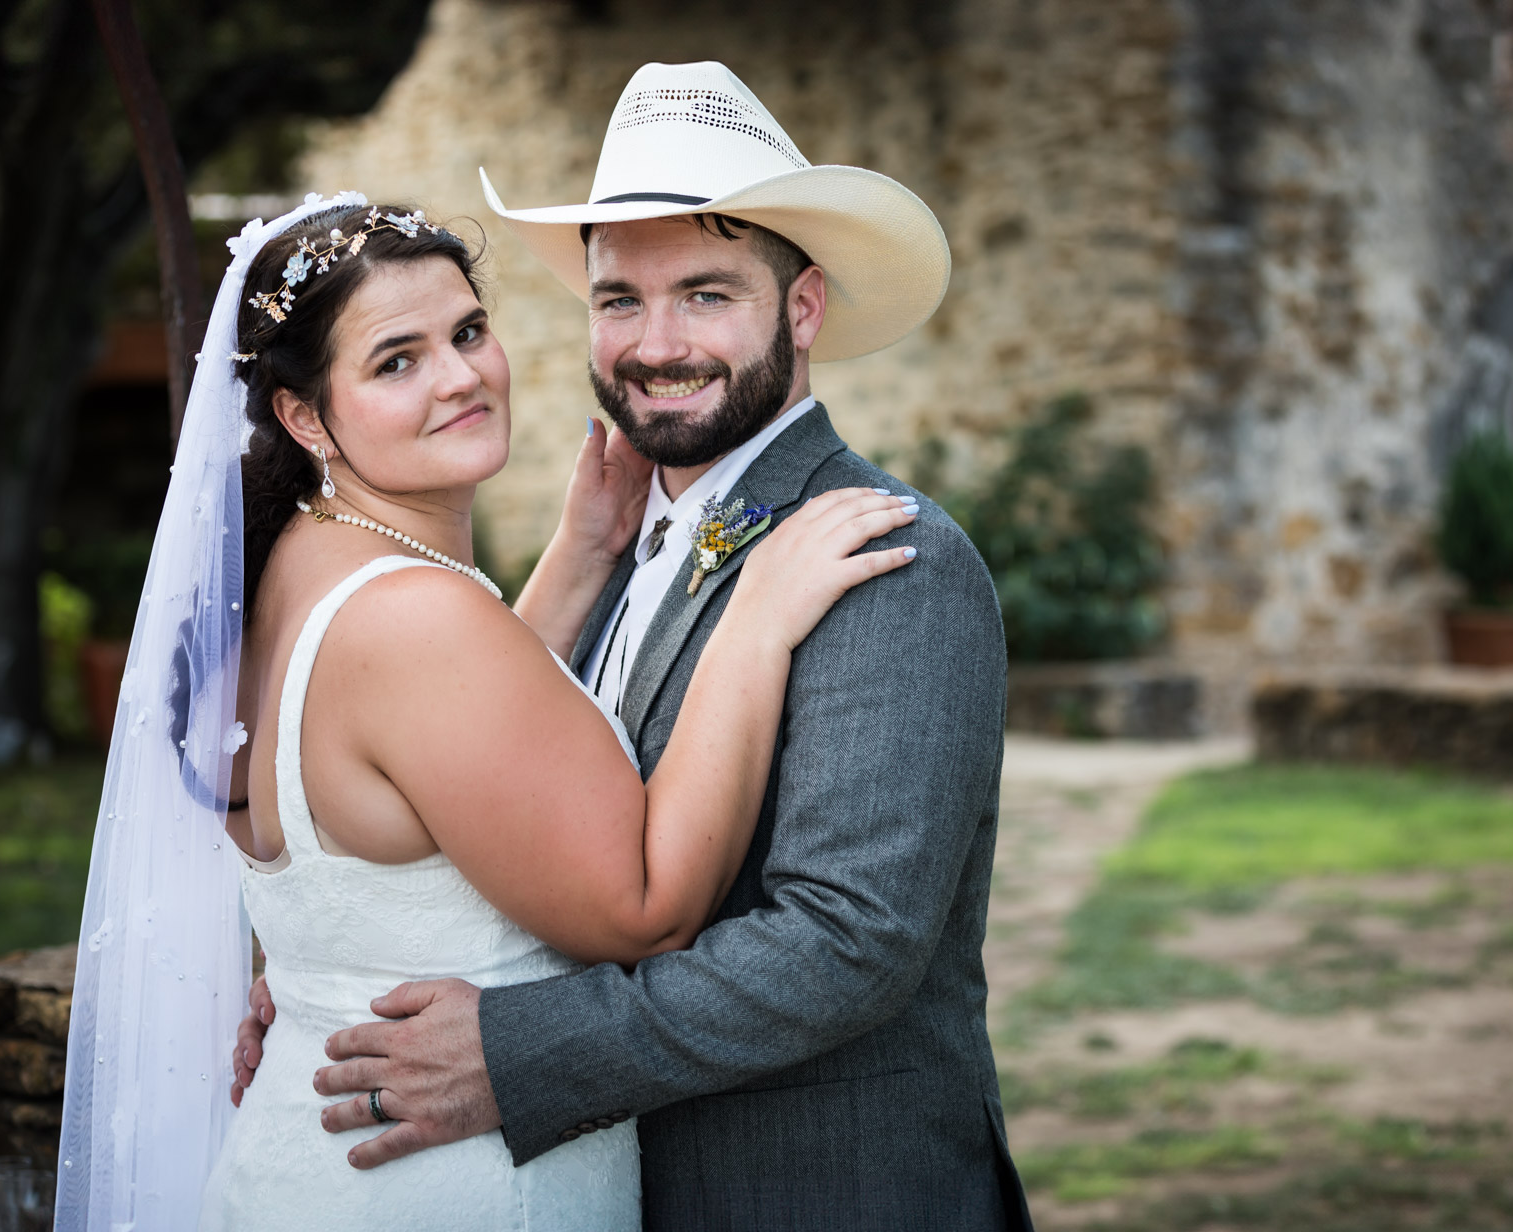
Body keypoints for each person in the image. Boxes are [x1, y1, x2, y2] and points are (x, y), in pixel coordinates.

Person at [236, 62, 1034, 1228]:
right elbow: (492, 802)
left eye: (707, 293)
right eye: (620, 300)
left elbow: (845, 941)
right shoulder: (606, 541)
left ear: (802, 308)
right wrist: (321, 970)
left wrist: (511, 1052)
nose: (657, 343)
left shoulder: (884, 560)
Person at [54, 190, 915, 1232]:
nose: (461, 375)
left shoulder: (291, 571)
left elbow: (447, 760)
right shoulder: (415, 620)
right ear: (302, 413)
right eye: (396, 359)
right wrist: (756, 619)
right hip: (453, 1185)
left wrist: (580, 556)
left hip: (305, 1157)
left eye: (467, 331)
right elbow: (645, 904)